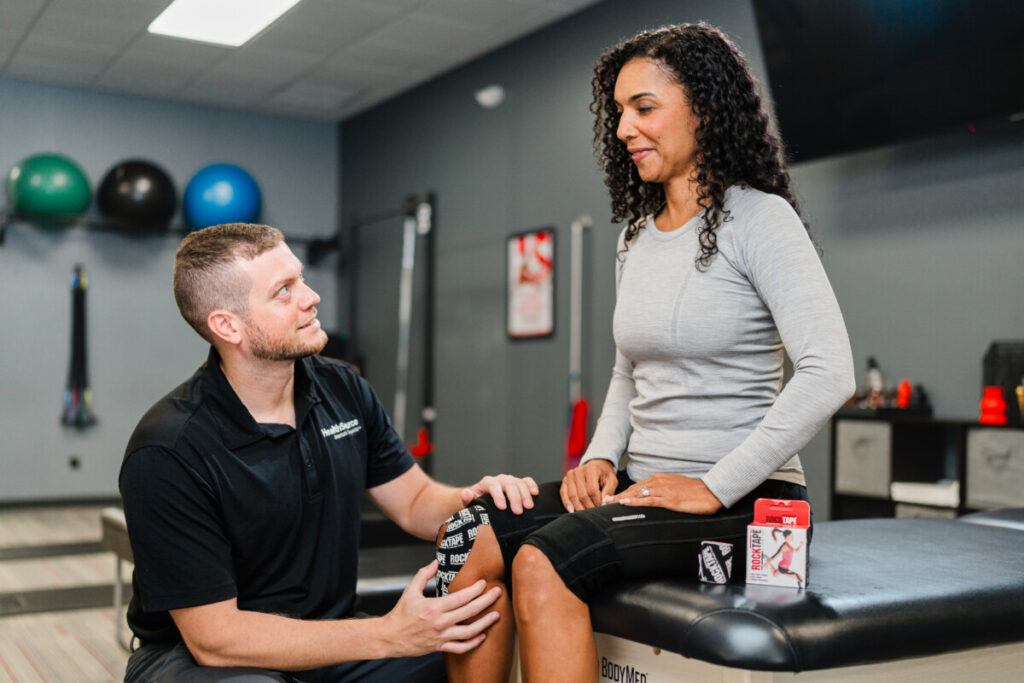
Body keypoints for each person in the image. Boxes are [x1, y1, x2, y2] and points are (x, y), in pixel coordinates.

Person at [437, 23, 855, 682]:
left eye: (644, 107)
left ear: (708, 109)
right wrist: (600, 456)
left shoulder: (759, 219)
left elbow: (831, 372)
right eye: (619, 111)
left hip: (750, 502)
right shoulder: (636, 235)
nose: (625, 127)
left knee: (543, 561)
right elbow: (628, 369)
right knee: (465, 533)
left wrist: (715, 485)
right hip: (647, 489)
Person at [119, 223, 540, 682]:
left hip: (333, 636)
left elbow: (415, 502)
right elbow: (216, 638)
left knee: (478, 628)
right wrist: (390, 634)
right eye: (284, 291)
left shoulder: (342, 387)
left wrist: (473, 500)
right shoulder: (168, 448)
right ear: (227, 326)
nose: (311, 296)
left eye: (300, 278)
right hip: (199, 658)